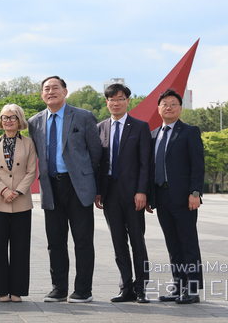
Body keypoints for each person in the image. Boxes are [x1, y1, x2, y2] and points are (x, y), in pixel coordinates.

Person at [28, 76, 102, 303]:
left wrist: (90, 182)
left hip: (78, 186)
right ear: (42, 94)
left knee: (83, 240)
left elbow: (96, 153)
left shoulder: (83, 116)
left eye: (55, 88)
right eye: (46, 89)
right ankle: (59, 288)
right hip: (50, 186)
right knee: (55, 242)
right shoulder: (34, 122)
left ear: (65, 91)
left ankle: (83, 290)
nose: (51, 92)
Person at [94, 83, 152, 303]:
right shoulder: (100, 128)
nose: (116, 103)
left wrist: (142, 191)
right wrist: (98, 191)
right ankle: (126, 286)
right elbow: (99, 163)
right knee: (118, 242)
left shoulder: (140, 127)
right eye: (112, 99)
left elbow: (145, 163)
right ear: (107, 102)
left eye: (120, 99)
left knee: (137, 241)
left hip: (133, 194)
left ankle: (141, 288)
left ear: (128, 101)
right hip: (109, 193)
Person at [150, 88, 205, 304]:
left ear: (180, 108)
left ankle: (192, 289)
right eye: (165, 104)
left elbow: (198, 165)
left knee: (188, 243)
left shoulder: (190, 132)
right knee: (172, 244)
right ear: (158, 108)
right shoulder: (153, 134)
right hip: (161, 197)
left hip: (184, 198)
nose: (169, 107)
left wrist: (195, 193)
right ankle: (178, 285)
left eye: (173, 104)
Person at [0, 104, 37, 303]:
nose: (8, 121)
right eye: (4, 117)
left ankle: (17, 290)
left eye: (12, 117)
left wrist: (17, 192)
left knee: (21, 247)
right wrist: (4, 191)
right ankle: (1, 290)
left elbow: (31, 171)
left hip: (21, 201)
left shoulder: (29, 143)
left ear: (19, 120)